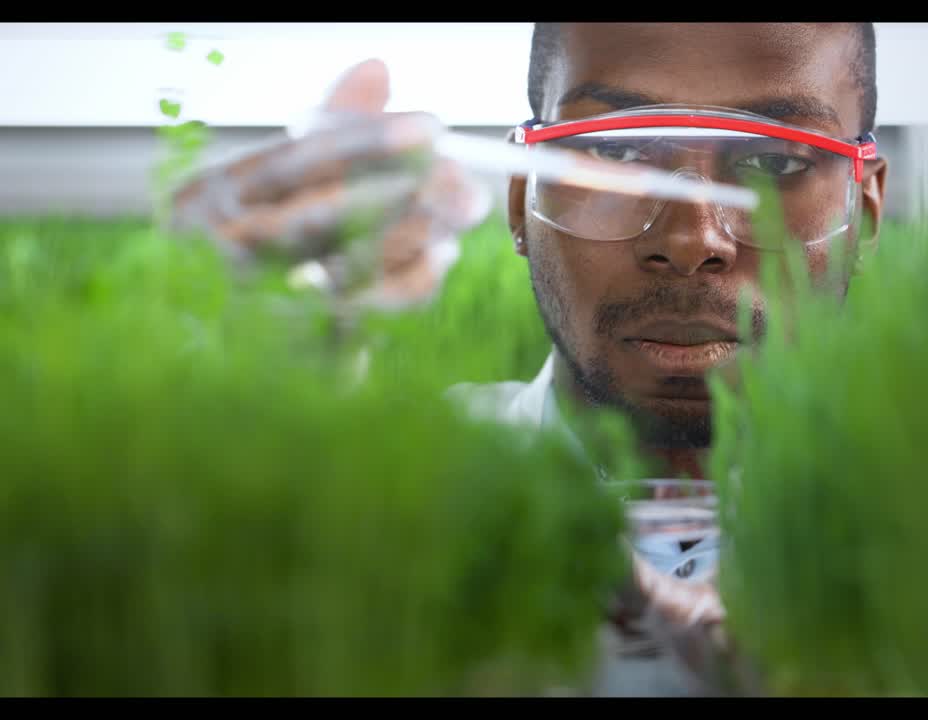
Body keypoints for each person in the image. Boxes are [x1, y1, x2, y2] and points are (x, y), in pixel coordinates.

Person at [171, 22, 889, 696]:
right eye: (616, 152)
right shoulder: (387, 494)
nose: (691, 239)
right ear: (521, 196)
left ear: (866, 209)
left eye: (773, 162)